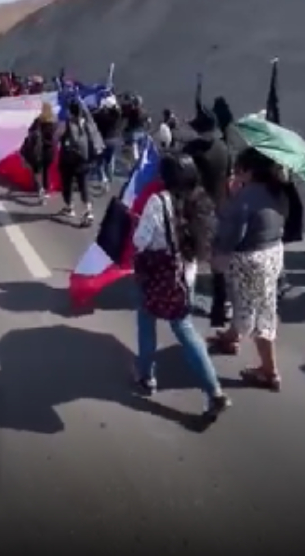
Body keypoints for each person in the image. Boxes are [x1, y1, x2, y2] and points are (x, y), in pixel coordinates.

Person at [132, 151, 231, 419]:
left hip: (156, 275)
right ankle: (215, 391)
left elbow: (140, 241)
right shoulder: (201, 202)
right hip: (185, 278)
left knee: (146, 319)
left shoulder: (158, 202)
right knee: (186, 330)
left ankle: (146, 376)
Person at [210, 148, 290, 390]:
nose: (234, 173)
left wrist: (218, 254)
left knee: (261, 312)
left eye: (238, 169)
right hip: (273, 252)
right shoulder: (278, 191)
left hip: (251, 260)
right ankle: (232, 336)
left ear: (248, 171)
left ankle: (269, 371)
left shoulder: (245, 200)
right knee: (245, 299)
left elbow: (231, 233)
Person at [182, 105, 233, 343]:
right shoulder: (225, 148)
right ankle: (221, 308)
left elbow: (185, 179)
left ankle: (185, 301)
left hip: (198, 211)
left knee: (189, 257)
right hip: (222, 209)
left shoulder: (193, 151)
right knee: (218, 267)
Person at [57, 98, 98, 224]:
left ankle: (70, 208)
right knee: (84, 185)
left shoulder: (67, 123)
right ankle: (88, 211)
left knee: (67, 184)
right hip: (84, 159)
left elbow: (57, 136)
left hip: (68, 160)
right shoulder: (87, 121)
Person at [21, 101, 58, 201]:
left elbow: (30, 132)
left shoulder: (38, 121)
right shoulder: (54, 122)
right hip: (50, 150)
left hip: (38, 150)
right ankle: (46, 190)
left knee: (36, 170)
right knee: (46, 170)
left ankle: (39, 188)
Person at [92, 96, 123, 184]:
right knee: (110, 160)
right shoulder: (116, 117)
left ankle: (102, 178)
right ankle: (110, 178)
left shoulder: (99, 116)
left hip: (102, 140)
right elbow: (118, 111)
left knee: (100, 160)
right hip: (114, 140)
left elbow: (93, 116)